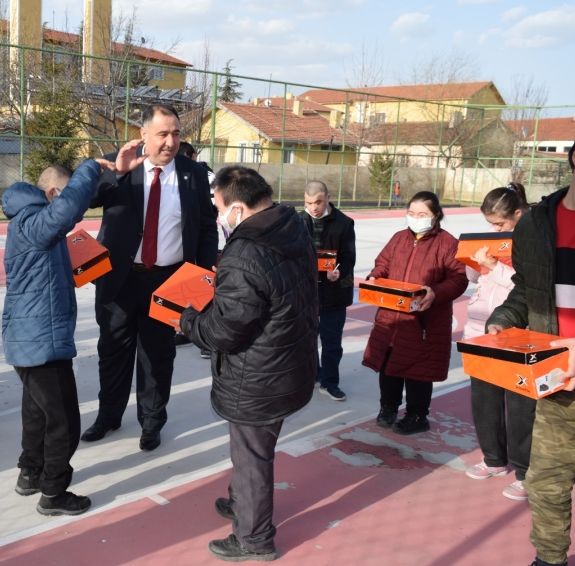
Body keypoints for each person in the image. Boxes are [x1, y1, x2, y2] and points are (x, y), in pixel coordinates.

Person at [176, 166, 318, 562]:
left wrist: (187, 320)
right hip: (288, 361)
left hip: (258, 374)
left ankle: (253, 539)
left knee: (252, 457)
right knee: (252, 449)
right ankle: (241, 502)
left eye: (219, 208)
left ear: (237, 208)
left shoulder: (244, 252)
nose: (218, 216)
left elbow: (223, 331)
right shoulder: (292, 225)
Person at [2, 152, 140, 517]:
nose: (75, 211)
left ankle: (30, 473)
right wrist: (93, 167)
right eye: (64, 198)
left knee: (37, 414)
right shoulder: (34, 221)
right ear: (51, 195)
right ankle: (54, 492)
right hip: (40, 340)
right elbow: (67, 210)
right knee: (65, 420)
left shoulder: (29, 223)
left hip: (34, 337)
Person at [83, 104, 218, 452]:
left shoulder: (192, 173)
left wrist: (201, 276)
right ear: (143, 135)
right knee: (113, 351)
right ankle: (108, 416)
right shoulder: (119, 162)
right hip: (118, 279)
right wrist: (119, 173)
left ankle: (152, 422)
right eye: (162, 134)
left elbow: (205, 226)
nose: (170, 141)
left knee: (157, 356)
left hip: (168, 281)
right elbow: (88, 199)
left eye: (175, 133)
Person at [487, 128, 575, 566]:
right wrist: (503, 320)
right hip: (561, 379)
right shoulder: (536, 223)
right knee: (546, 481)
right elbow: (527, 287)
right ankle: (549, 560)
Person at [362, 191, 468, 435]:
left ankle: (417, 415)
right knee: (388, 366)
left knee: (419, 370)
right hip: (392, 317)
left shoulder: (448, 243)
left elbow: (459, 278)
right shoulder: (399, 238)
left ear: (436, 216)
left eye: (422, 214)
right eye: (411, 213)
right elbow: (383, 263)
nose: (415, 218)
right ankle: (387, 408)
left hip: (424, 321)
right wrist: (376, 277)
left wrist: (435, 293)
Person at [462, 183, 534, 501]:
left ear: (518, 214)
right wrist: (475, 265)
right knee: (484, 400)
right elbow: (475, 279)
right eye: (491, 223)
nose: (495, 229)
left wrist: (496, 268)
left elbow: (529, 286)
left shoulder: (535, 239)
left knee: (519, 407)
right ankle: (493, 460)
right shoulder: (495, 238)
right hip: (480, 329)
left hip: (518, 332)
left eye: (500, 224)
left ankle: (525, 472)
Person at [301, 181, 356, 402]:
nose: (313, 207)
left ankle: (330, 382)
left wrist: (339, 272)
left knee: (332, 342)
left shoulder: (344, 223)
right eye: (308, 202)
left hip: (334, 293)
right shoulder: (296, 221)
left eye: (318, 202)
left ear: (328, 197)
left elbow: (348, 257)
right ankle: (313, 374)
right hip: (305, 293)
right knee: (306, 339)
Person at [174, 141, 216, 356]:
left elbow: (210, 217)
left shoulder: (202, 175)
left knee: (204, 288)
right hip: (197, 238)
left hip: (209, 235)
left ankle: (202, 335)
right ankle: (188, 330)